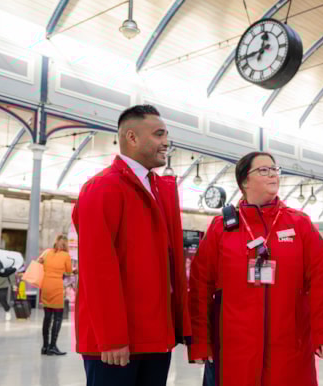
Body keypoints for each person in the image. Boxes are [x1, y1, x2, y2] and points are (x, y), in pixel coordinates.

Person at [189, 151, 323, 386]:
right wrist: (199, 341)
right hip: (234, 351)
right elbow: (200, 288)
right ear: (244, 182)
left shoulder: (300, 225)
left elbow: (321, 283)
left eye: (275, 169)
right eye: (263, 170)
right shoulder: (221, 229)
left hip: (290, 348)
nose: (273, 175)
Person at [72, 104, 190, 386]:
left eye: (166, 135)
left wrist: (178, 325)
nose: (166, 143)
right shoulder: (103, 187)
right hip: (117, 344)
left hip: (155, 338)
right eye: (159, 134)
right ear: (132, 137)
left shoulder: (159, 189)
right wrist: (112, 337)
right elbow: (97, 267)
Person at [38, 234, 73, 356]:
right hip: (56, 287)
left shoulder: (47, 253)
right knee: (57, 317)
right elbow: (68, 271)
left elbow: (40, 262)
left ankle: (44, 347)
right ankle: (53, 346)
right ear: (65, 244)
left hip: (46, 286)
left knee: (47, 317)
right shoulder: (66, 255)